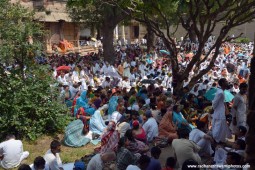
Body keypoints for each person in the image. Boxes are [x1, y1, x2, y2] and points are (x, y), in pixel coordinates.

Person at [211, 78, 231, 143]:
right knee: (218, 128)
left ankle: (219, 141)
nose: (227, 82)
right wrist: (214, 109)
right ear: (222, 83)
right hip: (219, 113)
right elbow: (214, 103)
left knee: (220, 128)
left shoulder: (222, 91)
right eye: (226, 81)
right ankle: (215, 141)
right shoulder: (220, 92)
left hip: (220, 113)